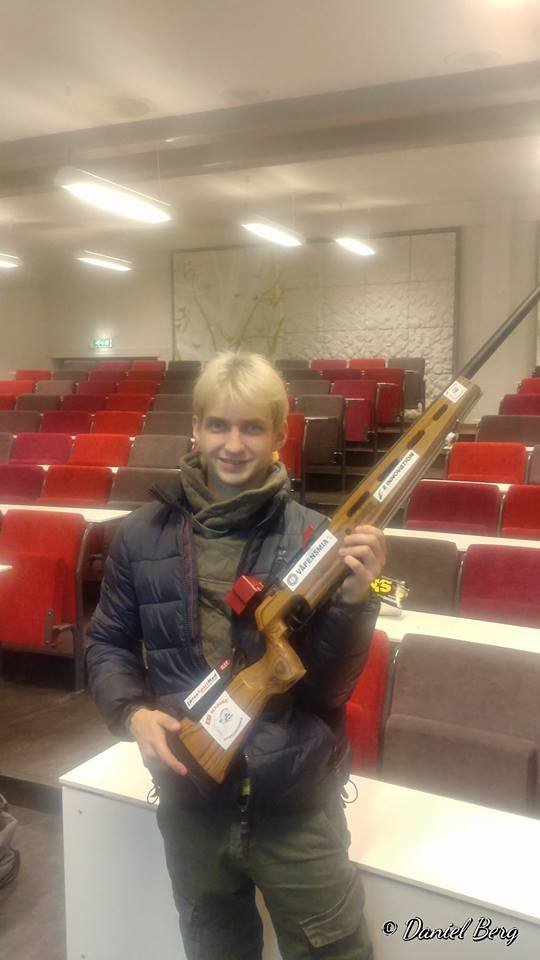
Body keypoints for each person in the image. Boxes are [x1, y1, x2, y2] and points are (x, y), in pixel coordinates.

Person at [86, 351, 386, 960]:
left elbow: (329, 690)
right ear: (195, 428)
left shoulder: (316, 538)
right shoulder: (139, 535)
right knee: (215, 948)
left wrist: (356, 601)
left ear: (279, 435)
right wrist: (131, 712)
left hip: (296, 804)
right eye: (219, 425)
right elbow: (107, 642)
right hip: (191, 798)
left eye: (252, 427)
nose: (233, 444)